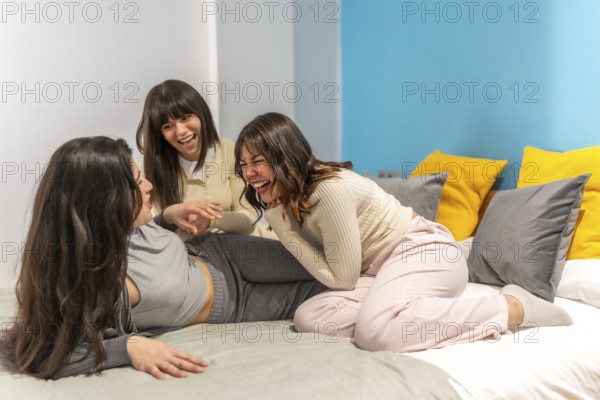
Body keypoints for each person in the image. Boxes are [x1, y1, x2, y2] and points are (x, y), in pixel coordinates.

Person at [234, 112, 574, 353]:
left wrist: (278, 220)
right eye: (243, 164)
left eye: (258, 161)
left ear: (284, 156)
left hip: (424, 252)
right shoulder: (290, 197)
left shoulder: (328, 190)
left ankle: (513, 308)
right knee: (309, 316)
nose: (249, 173)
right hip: (382, 270)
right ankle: (404, 310)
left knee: (375, 333)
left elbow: (341, 278)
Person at [0, 136, 325, 380]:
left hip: (221, 252)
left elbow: (147, 251)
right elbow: (43, 356)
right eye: (138, 181)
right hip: (237, 302)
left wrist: (167, 217)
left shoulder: (116, 231)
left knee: (329, 263)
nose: (149, 185)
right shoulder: (106, 285)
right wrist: (126, 347)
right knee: (333, 289)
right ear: (104, 202)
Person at [135, 79, 274, 239]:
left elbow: (249, 219)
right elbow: (153, 228)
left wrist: (211, 220)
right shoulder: (150, 167)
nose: (180, 131)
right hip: (198, 257)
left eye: (186, 117)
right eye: (168, 126)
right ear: (160, 134)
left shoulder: (228, 150)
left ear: (201, 114)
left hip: (248, 243)